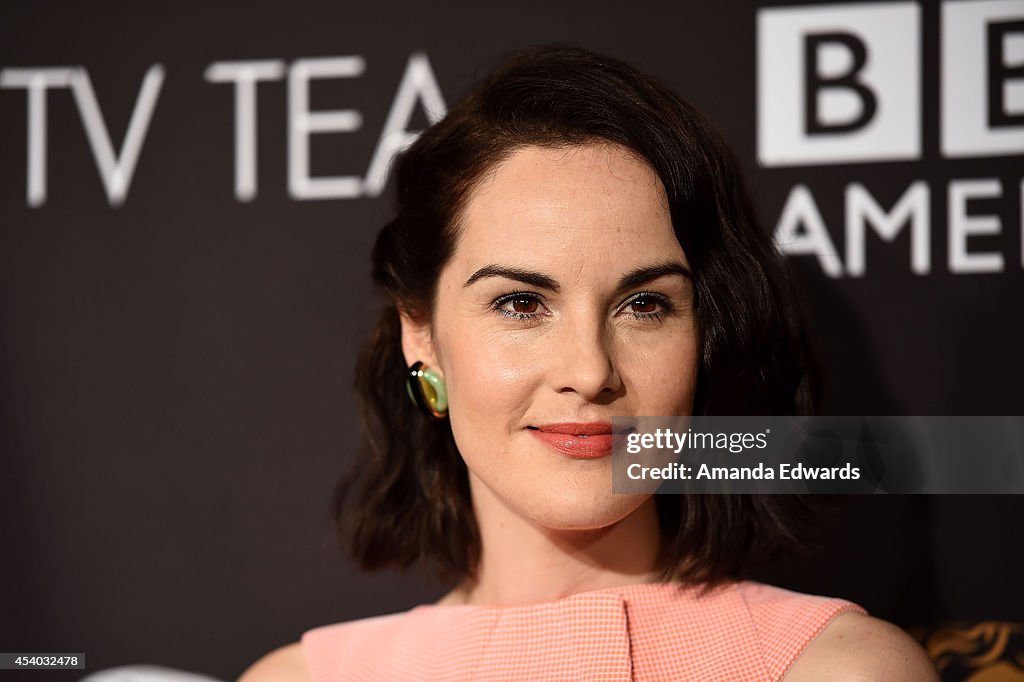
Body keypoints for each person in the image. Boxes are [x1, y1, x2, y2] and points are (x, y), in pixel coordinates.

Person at [239, 45, 937, 681]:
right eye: (519, 304)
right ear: (420, 337)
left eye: (644, 305)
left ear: (707, 336)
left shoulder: (836, 669)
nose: (590, 369)